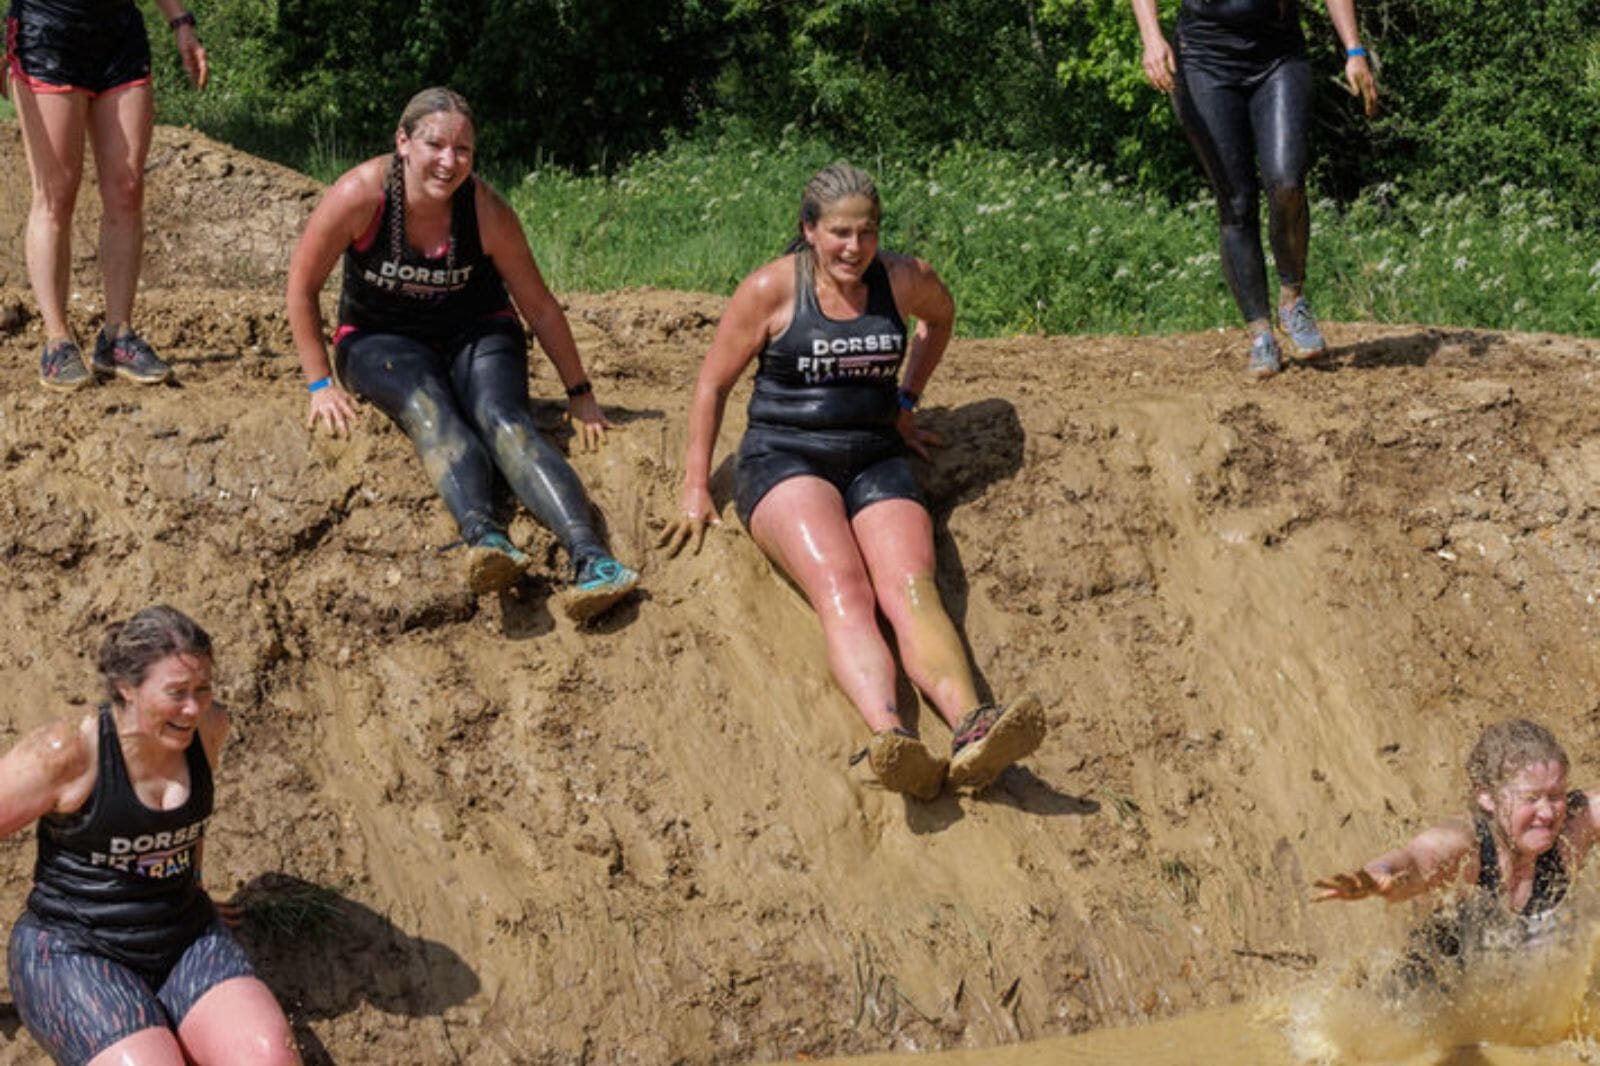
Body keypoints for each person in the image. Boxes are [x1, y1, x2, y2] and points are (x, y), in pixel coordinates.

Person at [659, 163, 1046, 800]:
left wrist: (907, 402)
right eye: (839, 232)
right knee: (843, 584)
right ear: (809, 230)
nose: (853, 248)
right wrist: (695, 486)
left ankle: (974, 727)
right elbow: (712, 383)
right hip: (785, 457)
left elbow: (940, 320)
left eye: (866, 233)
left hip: (874, 453)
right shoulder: (770, 289)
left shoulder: (902, 279)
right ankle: (892, 736)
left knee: (912, 587)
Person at [286, 87, 637, 618]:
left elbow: (538, 306)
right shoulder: (361, 194)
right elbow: (301, 286)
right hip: (380, 336)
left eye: (464, 150)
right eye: (436, 145)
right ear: (403, 142)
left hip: (475, 327)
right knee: (432, 411)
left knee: (505, 422)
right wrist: (319, 384)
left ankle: (592, 558)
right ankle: (485, 538)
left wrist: (580, 394)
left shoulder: (486, 210)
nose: (450, 162)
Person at [0, 606, 301, 1066]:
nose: (193, 707)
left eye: (203, 689)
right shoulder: (70, 753)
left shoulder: (207, 730)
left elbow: (187, 827)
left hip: (182, 935)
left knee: (268, 1057)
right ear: (127, 688)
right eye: (177, 692)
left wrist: (191, 884)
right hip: (73, 950)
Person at [1132, 0, 1378, 377]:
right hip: (1203, 59)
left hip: (1279, 57)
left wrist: (1354, 49)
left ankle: (1292, 299)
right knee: (1236, 200)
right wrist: (1151, 37)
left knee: (1287, 183)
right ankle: (1260, 333)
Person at [6, 0, 208, 392]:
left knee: (128, 189)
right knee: (56, 194)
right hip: (45, 32)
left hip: (119, 35)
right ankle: (57, 341)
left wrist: (181, 23)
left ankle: (118, 337)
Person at [1313, 719, 1600, 985]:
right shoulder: (1469, 844)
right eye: (1531, 798)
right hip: (1424, 1009)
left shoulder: (1574, 826)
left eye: (1555, 795)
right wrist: (1378, 874)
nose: (1547, 812)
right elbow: (1417, 860)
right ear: (1486, 796)